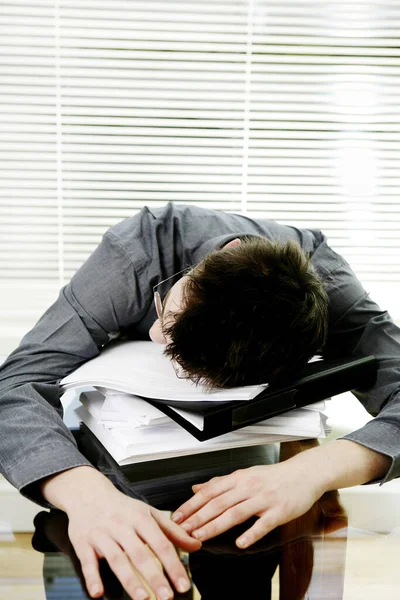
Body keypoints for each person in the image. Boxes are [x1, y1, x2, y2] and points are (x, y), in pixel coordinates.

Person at [0, 202, 397, 600]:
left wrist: (310, 472)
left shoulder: (336, 294)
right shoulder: (135, 254)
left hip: (237, 457)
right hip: (114, 449)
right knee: (105, 569)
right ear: (224, 253)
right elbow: (18, 382)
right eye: (165, 310)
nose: (157, 335)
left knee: (244, 560)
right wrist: (87, 496)